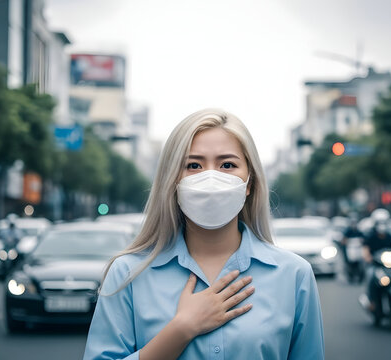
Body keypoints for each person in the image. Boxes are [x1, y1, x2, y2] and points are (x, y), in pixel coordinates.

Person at [83, 109, 324, 360]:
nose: (211, 178)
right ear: (172, 179)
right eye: (193, 165)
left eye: (227, 165)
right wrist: (181, 328)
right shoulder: (128, 274)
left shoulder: (295, 275)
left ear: (249, 182)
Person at [360, 209, 391, 310]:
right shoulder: (371, 237)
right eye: (379, 223)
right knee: (370, 275)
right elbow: (365, 249)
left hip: (390, 266)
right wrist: (368, 257)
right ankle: (372, 301)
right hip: (376, 265)